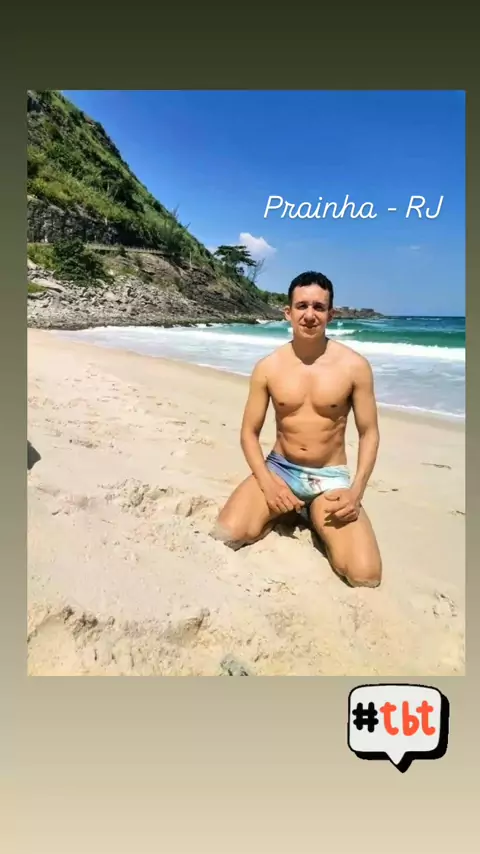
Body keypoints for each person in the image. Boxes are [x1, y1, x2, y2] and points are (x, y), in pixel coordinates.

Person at [210, 270, 382, 588]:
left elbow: (369, 432)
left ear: (331, 314)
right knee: (227, 534)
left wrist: (356, 491)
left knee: (365, 575)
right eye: (302, 306)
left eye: (319, 307)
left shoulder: (354, 367)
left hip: (329, 479)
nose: (310, 315)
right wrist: (268, 484)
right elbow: (248, 433)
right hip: (280, 471)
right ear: (288, 312)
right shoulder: (268, 367)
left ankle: (313, 512)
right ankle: (287, 511)